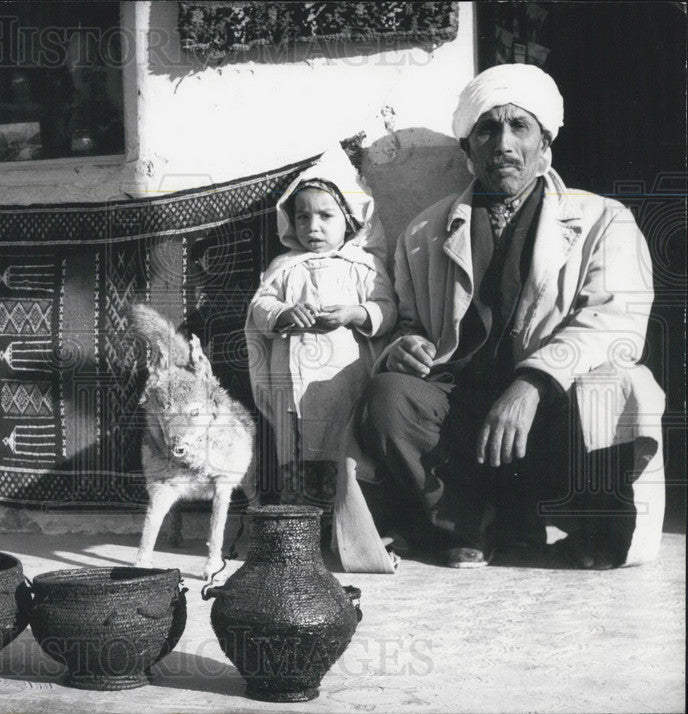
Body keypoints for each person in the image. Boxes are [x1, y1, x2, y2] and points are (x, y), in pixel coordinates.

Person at [358, 63, 666, 569]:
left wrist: (532, 383)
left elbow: (617, 324)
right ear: (468, 150)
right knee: (389, 396)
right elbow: (407, 320)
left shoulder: (604, 219)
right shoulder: (422, 232)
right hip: (461, 403)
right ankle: (463, 524)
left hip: (553, 403)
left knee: (617, 383)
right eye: (487, 129)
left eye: (519, 127)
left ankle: (591, 527)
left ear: (544, 147)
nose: (503, 143)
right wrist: (404, 346)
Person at [247, 144, 397, 571]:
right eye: (303, 216)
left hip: (343, 384)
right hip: (293, 388)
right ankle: (302, 541)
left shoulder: (363, 267)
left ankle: (353, 537)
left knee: (346, 455)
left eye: (325, 216)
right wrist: (282, 314)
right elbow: (259, 309)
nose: (313, 226)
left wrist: (356, 313)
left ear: (348, 220)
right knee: (299, 457)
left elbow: (387, 311)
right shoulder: (284, 268)